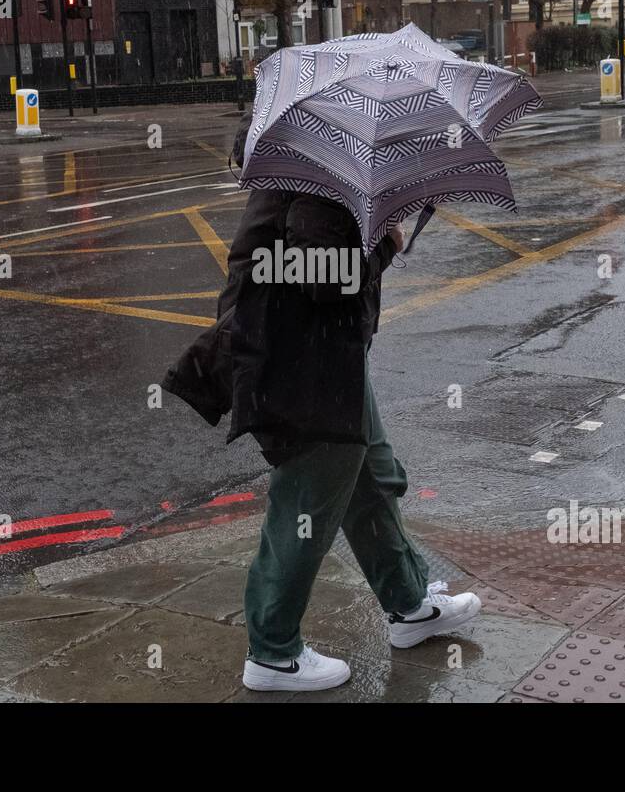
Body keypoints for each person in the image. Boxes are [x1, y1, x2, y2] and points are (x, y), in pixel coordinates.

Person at [163, 115, 480, 690]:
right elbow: (318, 275)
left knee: (372, 479)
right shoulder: (320, 173)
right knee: (306, 505)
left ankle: (409, 606)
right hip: (297, 363)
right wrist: (384, 242)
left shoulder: (321, 161)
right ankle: (273, 651)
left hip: (326, 358)